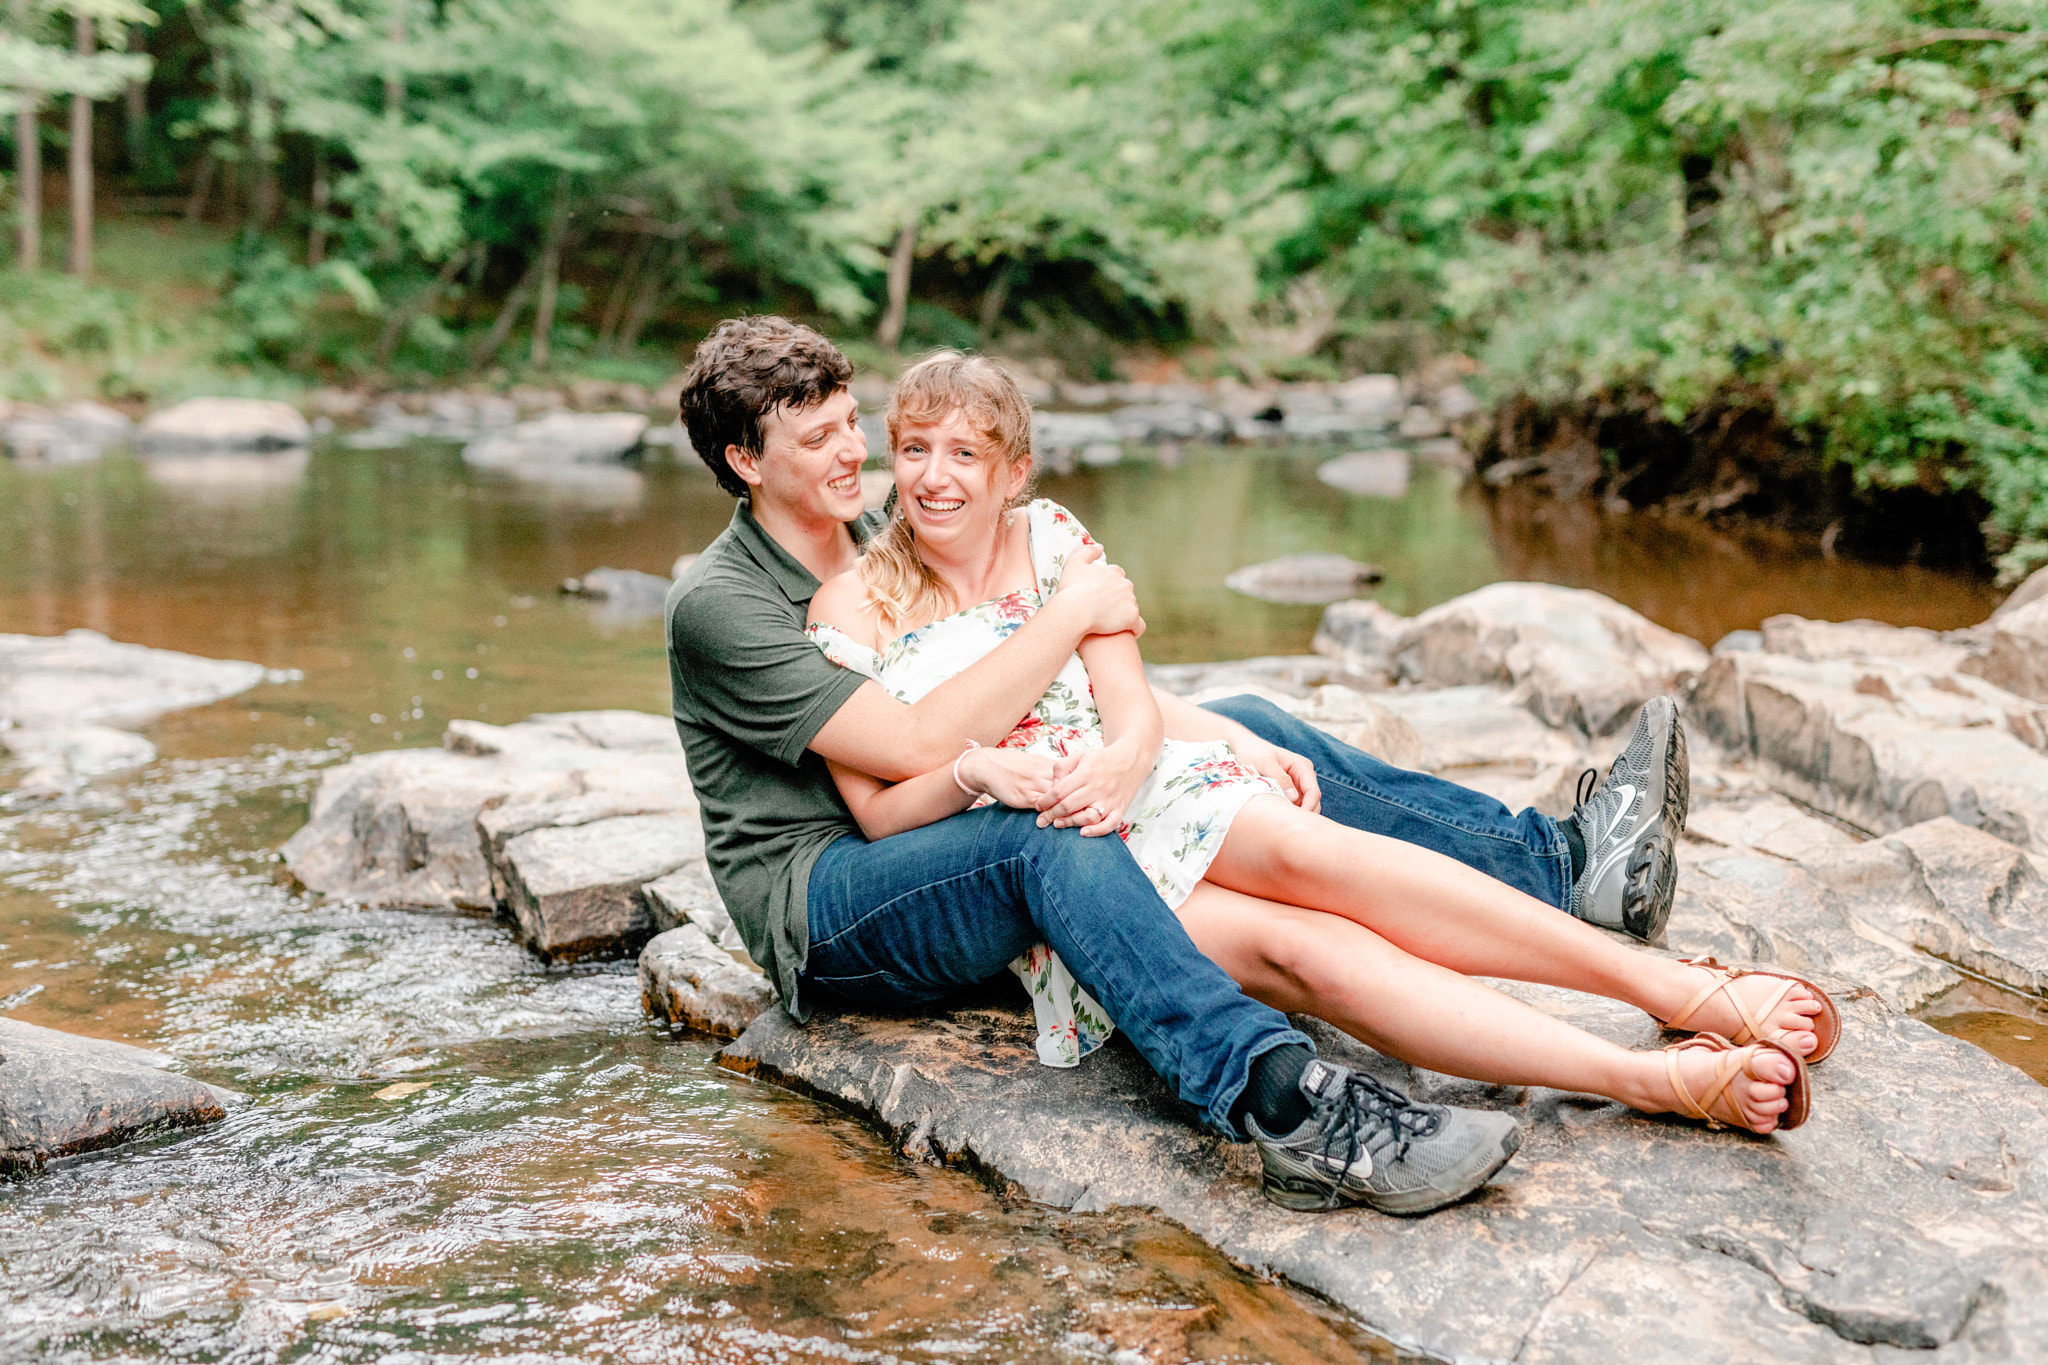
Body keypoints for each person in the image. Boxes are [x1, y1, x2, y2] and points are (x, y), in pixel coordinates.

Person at [663, 317, 1732, 1215]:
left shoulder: (865, 535)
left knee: (1249, 718)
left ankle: (1560, 865)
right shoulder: (728, 603)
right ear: (746, 463)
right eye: (817, 439)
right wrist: (1076, 613)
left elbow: (1019, 683)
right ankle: (1283, 1104)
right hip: (831, 893)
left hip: (953, 820)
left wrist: (1186, 732)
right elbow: (910, 749)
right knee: (1049, 843)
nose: (852, 454)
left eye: (854, 424)